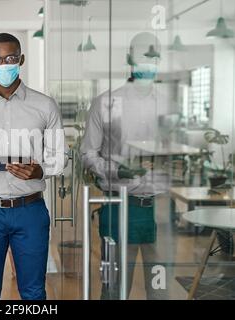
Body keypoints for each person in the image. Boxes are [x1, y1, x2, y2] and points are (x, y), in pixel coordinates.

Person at [0, 33, 66, 300]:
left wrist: (40, 170)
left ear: (21, 60)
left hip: (30, 211)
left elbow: (59, 158)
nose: (3, 64)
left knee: (33, 291)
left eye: (10, 58)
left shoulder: (45, 106)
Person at [80, 32, 174, 299]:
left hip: (161, 209)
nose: (149, 62)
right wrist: (116, 171)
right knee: (115, 290)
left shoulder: (168, 104)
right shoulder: (107, 103)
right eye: (143, 55)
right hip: (120, 205)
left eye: (154, 57)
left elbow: (178, 149)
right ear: (129, 58)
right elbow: (88, 152)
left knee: (160, 290)